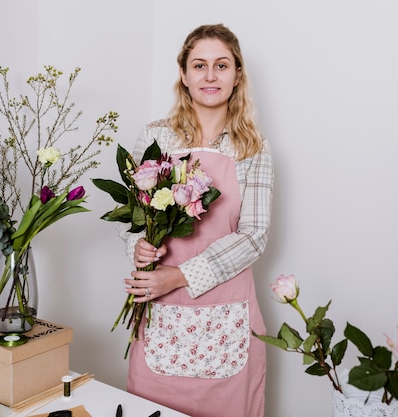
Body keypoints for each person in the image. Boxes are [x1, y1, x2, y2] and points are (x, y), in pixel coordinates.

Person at [119, 23, 274, 417]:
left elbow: (253, 236)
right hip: (160, 313)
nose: (210, 75)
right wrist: (136, 246)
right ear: (184, 75)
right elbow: (134, 219)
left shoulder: (253, 147)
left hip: (226, 318)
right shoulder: (156, 137)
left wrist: (180, 275)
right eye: (199, 65)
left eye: (221, 65)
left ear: (237, 75)